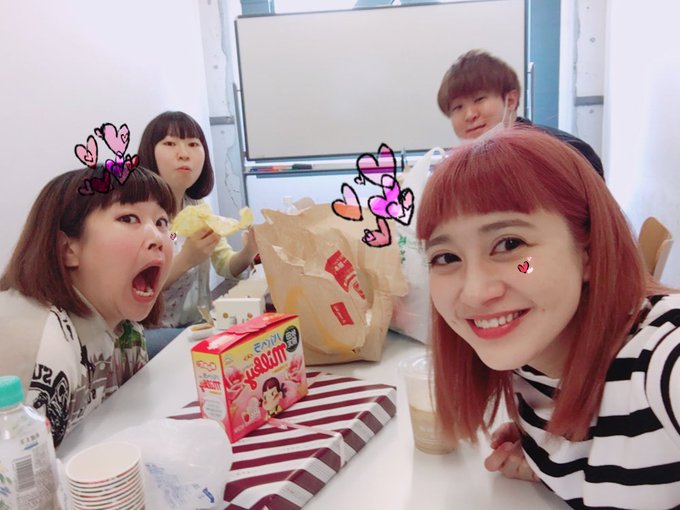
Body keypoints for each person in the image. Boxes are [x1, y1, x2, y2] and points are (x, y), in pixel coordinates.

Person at [416, 128, 679, 509]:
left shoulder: (663, 361)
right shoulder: (532, 356)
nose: (474, 292)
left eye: (510, 244)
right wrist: (551, 462)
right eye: (446, 257)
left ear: (588, 253)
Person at [0, 166, 175, 446]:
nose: (157, 238)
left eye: (162, 222)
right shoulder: (45, 345)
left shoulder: (126, 330)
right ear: (68, 249)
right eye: (128, 218)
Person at [138, 111, 258, 357]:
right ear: (149, 153)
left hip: (196, 324)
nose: (184, 153)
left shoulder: (197, 208)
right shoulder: (139, 214)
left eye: (193, 144)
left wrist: (249, 250)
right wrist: (186, 259)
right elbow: (138, 286)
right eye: (170, 143)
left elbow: (225, 265)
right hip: (146, 332)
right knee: (228, 346)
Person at [437, 49, 605, 180]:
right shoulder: (460, 170)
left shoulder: (564, 153)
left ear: (511, 100)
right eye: (457, 107)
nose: (469, 115)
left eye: (479, 99)